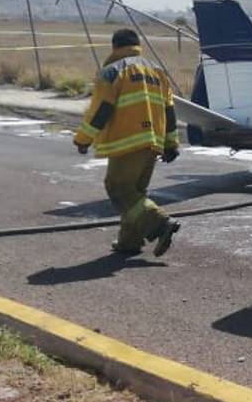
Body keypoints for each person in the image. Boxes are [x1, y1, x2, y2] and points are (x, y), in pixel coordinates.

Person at [73, 28, 181, 257]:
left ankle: (160, 224)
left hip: (126, 141)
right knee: (135, 193)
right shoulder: (157, 72)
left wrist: (83, 139)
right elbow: (169, 110)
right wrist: (171, 143)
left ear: (114, 47)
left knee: (119, 188)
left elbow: (101, 110)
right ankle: (129, 242)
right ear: (137, 46)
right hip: (153, 141)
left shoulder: (112, 71)